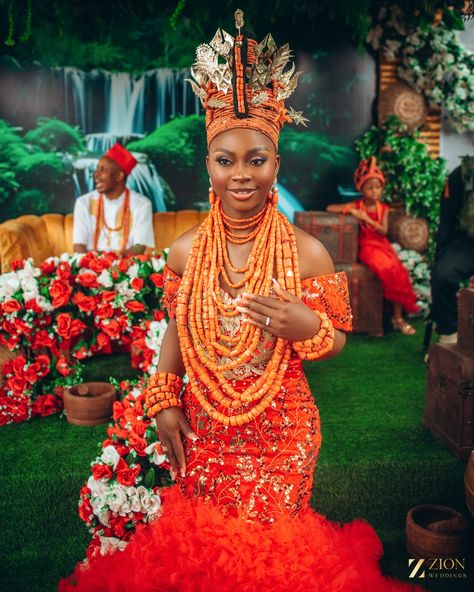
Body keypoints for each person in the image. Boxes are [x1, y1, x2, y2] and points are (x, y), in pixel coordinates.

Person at [59, 13, 423, 592]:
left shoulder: (308, 254)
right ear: (208, 165)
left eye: (257, 159)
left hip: (282, 431)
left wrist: (308, 325)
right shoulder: (183, 252)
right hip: (204, 428)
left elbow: (335, 340)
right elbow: (176, 332)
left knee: (273, 564)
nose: (242, 175)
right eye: (226, 160)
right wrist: (164, 400)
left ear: (277, 163)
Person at [327, 157, 419, 335]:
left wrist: (367, 219)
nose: (374, 191)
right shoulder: (358, 205)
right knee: (385, 269)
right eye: (370, 188)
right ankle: (393, 317)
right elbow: (330, 208)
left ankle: (397, 317)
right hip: (367, 246)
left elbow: (384, 231)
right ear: (362, 189)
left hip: (382, 244)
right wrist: (350, 210)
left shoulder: (383, 208)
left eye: (378, 187)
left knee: (397, 270)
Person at [73, 143, 155, 255]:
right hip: (90, 267)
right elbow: (78, 245)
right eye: (96, 169)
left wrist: (116, 264)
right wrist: (95, 263)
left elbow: (139, 246)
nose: (96, 175)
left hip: (127, 268)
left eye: (103, 170)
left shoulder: (141, 205)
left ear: (119, 176)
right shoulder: (83, 203)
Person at [431, 156, 474, 344]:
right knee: (443, 272)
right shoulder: (463, 174)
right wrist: (440, 257)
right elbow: (447, 219)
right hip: (468, 243)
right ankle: (449, 335)